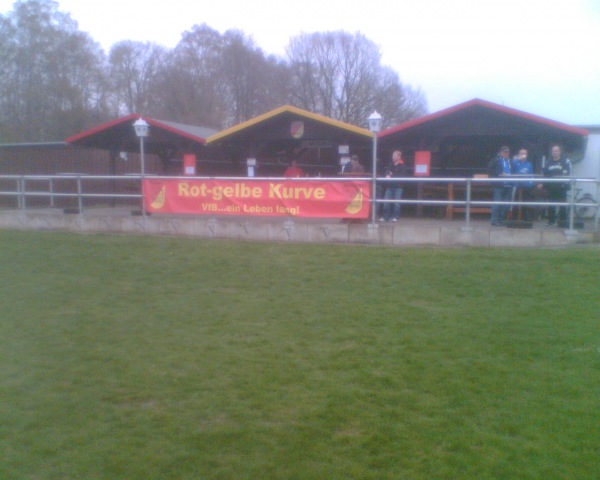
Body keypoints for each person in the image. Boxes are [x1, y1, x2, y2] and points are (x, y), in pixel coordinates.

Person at [538, 144, 571, 226]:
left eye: (556, 151)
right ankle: (551, 221)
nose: (554, 152)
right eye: (553, 151)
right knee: (551, 205)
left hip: (561, 187)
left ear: (560, 152)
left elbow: (568, 173)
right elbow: (544, 173)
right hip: (551, 187)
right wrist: (541, 183)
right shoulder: (548, 161)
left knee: (563, 205)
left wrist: (563, 181)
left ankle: (563, 222)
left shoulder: (565, 161)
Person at [488, 146, 513, 226]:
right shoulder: (495, 160)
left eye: (508, 152)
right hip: (499, 185)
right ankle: (494, 220)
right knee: (497, 203)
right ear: (501, 152)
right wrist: (500, 174)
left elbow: (514, 170)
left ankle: (501, 220)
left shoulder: (510, 161)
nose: (506, 153)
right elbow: (490, 171)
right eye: (505, 152)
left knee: (506, 204)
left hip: (509, 185)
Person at [381, 150, 406, 222]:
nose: (393, 157)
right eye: (393, 155)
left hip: (399, 186)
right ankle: (385, 217)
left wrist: (391, 175)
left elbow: (401, 175)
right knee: (386, 202)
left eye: (394, 155)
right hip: (390, 185)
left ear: (399, 156)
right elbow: (387, 172)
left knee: (396, 203)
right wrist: (388, 174)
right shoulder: (390, 164)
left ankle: (396, 217)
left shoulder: (403, 166)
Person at [511, 148, 534, 221]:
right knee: (515, 202)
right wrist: (518, 159)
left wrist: (530, 184)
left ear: (527, 155)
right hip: (516, 186)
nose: (523, 155)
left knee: (526, 202)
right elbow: (511, 165)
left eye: (525, 153)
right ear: (518, 154)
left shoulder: (529, 164)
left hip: (526, 186)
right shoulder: (515, 162)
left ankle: (525, 218)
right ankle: (515, 218)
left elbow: (531, 175)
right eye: (521, 153)